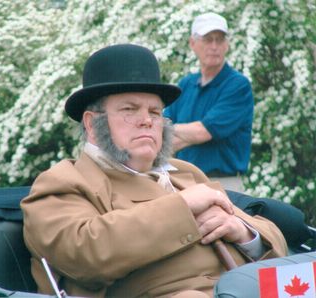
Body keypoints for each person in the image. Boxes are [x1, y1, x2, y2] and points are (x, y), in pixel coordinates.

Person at [21, 44, 286, 298]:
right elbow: (85, 253)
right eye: (129, 109)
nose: (147, 120)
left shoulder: (184, 173)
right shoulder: (63, 182)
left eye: (155, 111)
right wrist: (182, 206)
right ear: (92, 123)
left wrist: (244, 233)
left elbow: (279, 245)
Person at [163, 12, 254, 192]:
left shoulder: (237, 86)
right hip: (182, 183)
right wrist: (169, 133)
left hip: (223, 184)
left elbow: (203, 132)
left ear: (227, 44)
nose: (214, 46)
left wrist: (168, 130)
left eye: (219, 40)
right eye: (208, 39)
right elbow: (163, 140)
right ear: (192, 43)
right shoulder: (185, 85)